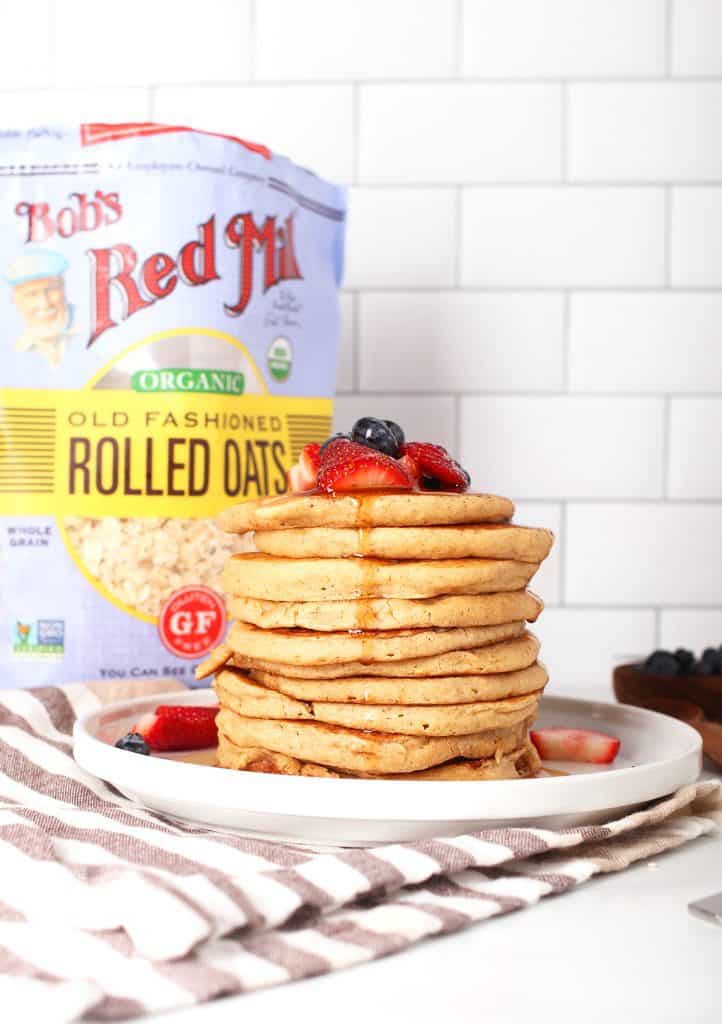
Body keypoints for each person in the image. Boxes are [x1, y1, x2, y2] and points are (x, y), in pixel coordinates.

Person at [5, 249, 77, 368]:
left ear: (63, 289)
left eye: (51, 289)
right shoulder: (14, 349)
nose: (44, 303)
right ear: (16, 301)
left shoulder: (89, 333)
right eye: (32, 294)